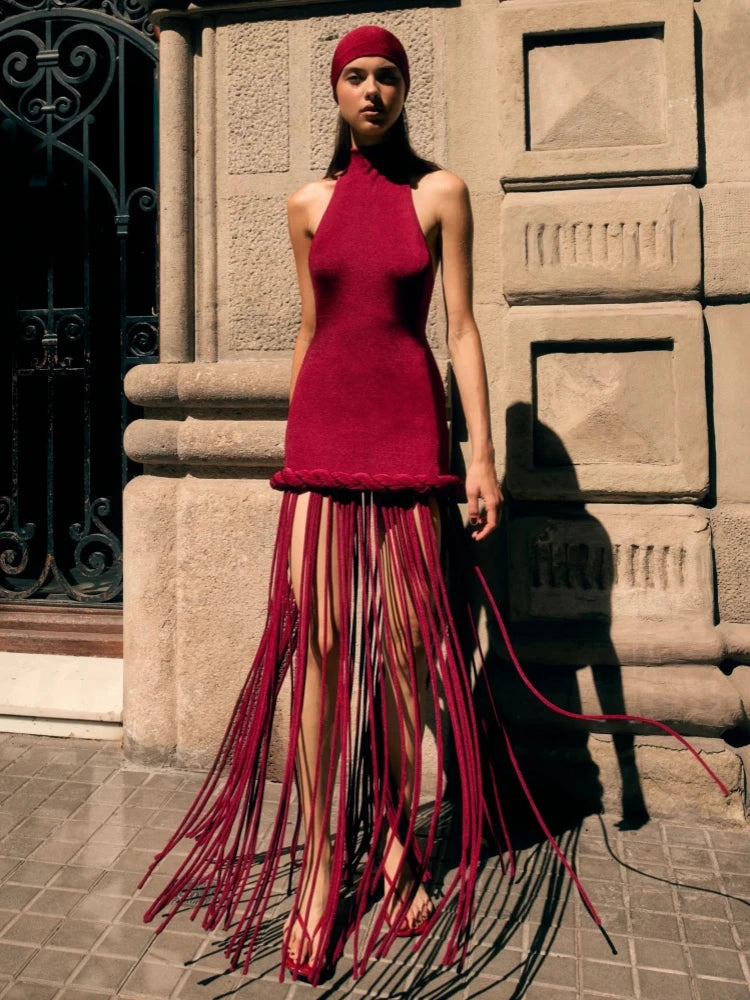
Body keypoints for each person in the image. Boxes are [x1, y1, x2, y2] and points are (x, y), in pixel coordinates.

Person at [139, 23, 728, 988]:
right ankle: (329, 862)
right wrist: (293, 454)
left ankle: (402, 852)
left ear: (405, 92)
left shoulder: (439, 194)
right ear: (335, 92)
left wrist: (482, 458)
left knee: (411, 654)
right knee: (324, 655)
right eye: (356, 76)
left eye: (388, 77)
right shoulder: (306, 204)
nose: (372, 90)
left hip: (412, 435)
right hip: (325, 441)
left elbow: (458, 327)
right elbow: (309, 329)